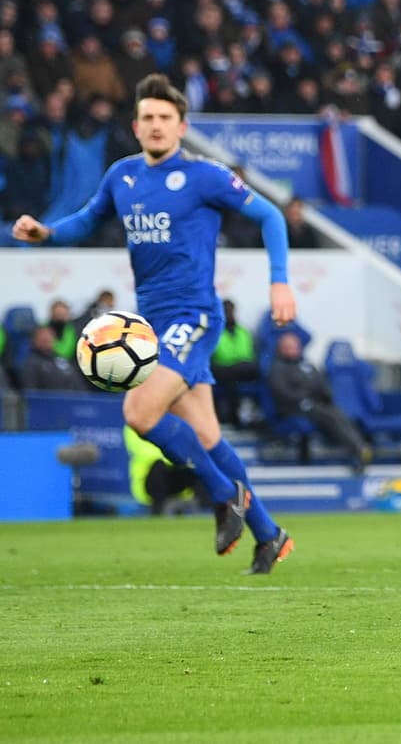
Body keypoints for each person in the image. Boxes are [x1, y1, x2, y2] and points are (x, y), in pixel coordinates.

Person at [11, 73, 296, 575]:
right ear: (136, 126)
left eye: (166, 117)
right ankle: (270, 535)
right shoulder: (122, 176)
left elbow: (272, 215)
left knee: (139, 411)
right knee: (207, 436)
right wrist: (46, 232)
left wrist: (280, 282)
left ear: (182, 125)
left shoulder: (206, 177)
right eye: (148, 118)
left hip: (195, 316)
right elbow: (85, 219)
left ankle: (223, 494)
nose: (157, 125)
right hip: (152, 323)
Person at [267, 331, 371, 470]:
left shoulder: (307, 365)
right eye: (290, 347)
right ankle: (356, 450)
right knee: (327, 416)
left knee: (338, 413)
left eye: (296, 346)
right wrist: (304, 395)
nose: (295, 349)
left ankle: (360, 446)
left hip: (315, 404)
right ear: (282, 348)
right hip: (292, 408)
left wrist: (324, 394)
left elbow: (321, 383)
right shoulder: (277, 368)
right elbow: (281, 392)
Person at [210, 299, 258, 427]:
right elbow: (215, 355)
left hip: (242, 367)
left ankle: (255, 418)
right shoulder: (214, 331)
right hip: (224, 369)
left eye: (230, 310)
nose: (228, 313)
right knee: (227, 377)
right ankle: (231, 417)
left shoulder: (243, 331)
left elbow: (249, 353)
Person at [20, 325, 86, 391]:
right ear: (34, 340)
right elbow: (30, 391)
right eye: (42, 337)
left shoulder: (62, 360)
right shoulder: (31, 363)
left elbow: (79, 385)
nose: (46, 338)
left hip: (72, 399)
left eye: (49, 336)